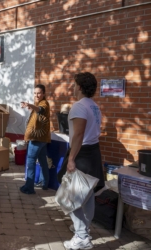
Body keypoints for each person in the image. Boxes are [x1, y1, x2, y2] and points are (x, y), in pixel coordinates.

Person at [58, 72, 105, 250]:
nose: (72, 86)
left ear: (79, 86)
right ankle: (83, 228)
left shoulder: (78, 106)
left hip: (82, 153)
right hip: (93, 151)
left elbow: (78, 134)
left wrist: (71, 159)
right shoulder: (94, 106)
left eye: (74, 83)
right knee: (88, 194)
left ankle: (82, 237)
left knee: (70, 197)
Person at [19, 84, 51, 194]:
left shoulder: (44, 103)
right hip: (42, 139)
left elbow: (40, 110)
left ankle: (29, 187)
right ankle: (45, 184)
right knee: (43, 161)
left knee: (31, 161)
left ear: (44, 94)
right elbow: (37, 112)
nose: (36, 95)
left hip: (37, 138)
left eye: (39, 93)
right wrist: (30, 106)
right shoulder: (38, 103)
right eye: (35, 93)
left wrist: (31, 105)